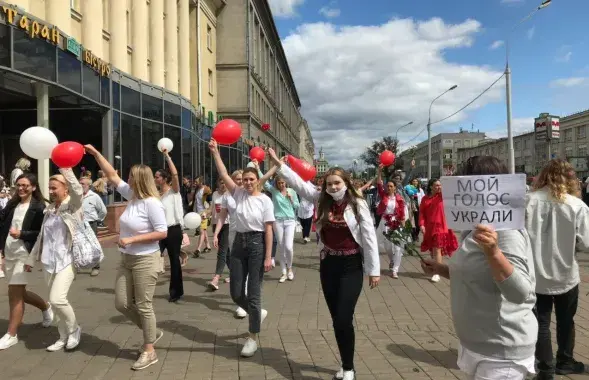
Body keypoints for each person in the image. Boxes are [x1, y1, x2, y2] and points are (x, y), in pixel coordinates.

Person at [421, 155, 537, 380]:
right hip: (479, 345)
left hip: (501, 352)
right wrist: (441, 269)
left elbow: (520, 292)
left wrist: (494, 252)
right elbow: (478, 275)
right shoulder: (473, 228)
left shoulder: (506, 232)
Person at [268, 148, 379, 380]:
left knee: (343, 317)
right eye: (329, 184)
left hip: (351, 266)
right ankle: (345, 364)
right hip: (329, 266)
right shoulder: (321, 199)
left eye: (337, 183)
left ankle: (349, 369)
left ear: (346, 183)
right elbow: (299, 185)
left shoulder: (357, 203)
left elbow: (368, 236)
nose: (333, 187)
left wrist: (374, 270)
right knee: (336, 319)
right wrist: (280, 165)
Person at [85, 144, 167, 371]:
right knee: (121, 303)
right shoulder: (132, 196)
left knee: (143, 304)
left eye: (131, 175)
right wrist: (96, 154)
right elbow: (111, 175)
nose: (127, 178)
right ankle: (152, 331)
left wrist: (131, 240)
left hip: (146, 259)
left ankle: (149, 350)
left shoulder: (152, 203)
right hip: (126, 259)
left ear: (139, 179)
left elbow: (162, 232)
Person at [209, 139, 274, 358]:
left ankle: (252, 336)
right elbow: (225, 174)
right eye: (244, 179)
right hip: (238, 245)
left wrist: (268, 257)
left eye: (251, 179)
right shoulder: (236, 194)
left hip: (257, 245)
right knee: (236, 293)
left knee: (253, 294)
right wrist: (216, 152)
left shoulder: (265, 200)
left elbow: (268, 230)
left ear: (257, 180)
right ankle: (257, 313)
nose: (247, 182)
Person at [526, 159, 589, 379]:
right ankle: (565, 361)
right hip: (566, 274)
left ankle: (545, 367)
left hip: (535, 274)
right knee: (566, 320)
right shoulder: (577, 205)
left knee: (540, 321)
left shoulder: (527, 201)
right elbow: (586, 243)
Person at [24, 168, 85, 352]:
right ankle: (62, 336)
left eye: (54, 188)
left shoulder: (72, 205)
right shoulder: (50, 209)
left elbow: (78, 191)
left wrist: (66, 169)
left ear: (65, 189)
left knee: (57, 299)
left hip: (67, 260)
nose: (50, 191)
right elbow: (42, 236)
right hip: (49, 261)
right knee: (57, 304)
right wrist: (31, 259)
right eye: (49, 188)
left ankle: (74, 329)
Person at [0, 173, 53, 350]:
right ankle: (45, 306)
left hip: (25, 254)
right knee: (20, 293)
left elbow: (41, 233)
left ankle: (11, 334)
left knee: (14, 293)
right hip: (9, 253)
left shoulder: (39, 207)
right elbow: (2, 228)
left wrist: (21, 234)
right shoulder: (12, 204)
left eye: (25, 185)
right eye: (18, 185)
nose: (21, 188)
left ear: (34, 187)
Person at [154, 150, 185, 303]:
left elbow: (175, 174)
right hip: (159, 232)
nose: (155, 179)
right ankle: (143, 289)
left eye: (157, 176)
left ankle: (176, 292)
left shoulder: (174, 191)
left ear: (164, 179)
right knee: (151, 258)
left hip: (173, 230)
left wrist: (167, 157)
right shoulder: (155, 194)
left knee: (174, 261)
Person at [261, 169, 299, 283]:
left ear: (286, 182)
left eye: (283, 183)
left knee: (288, 246)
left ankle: (290, 268)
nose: (281, 185)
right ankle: (283, 272)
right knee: (281, 246)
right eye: (279, 183)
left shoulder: (291, 191)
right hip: (277, 221)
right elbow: (264, 182)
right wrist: (258, 169)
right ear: (276, 184)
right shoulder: (274, 191)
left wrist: (291, 200)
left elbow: (297, 205)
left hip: (290, 221)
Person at [418, 178, 458, 283]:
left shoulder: (442, 197)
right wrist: (421, 225)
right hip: (429, 227)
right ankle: (436, 267)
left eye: (440, 185)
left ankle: (437, 272)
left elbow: (451, 191)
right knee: (432, 250)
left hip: (441, 227)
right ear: (431, 187)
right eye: (436, 185)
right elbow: (422, 213)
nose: (439, 187)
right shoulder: (425, 199)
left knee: (437, 249)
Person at [376, 164, 408, 279]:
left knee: (398, 247)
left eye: (391, 186)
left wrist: (403, 229)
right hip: (385, 223)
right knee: (388, 246)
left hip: (396, 223)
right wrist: (379, 171)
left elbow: (402, 215)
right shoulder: (383, 195)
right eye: (388, 186)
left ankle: (395, 270)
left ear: (395, 188)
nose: (389, 188)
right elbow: (379, 183)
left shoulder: (399, 199)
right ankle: (392, 261)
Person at [80, 177, 107, 276]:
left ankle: (96, 267)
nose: (80, 185)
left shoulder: (94, 196)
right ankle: (78, 265)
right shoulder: (76, 196)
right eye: (80, 183)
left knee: (93, 245)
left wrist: (98, 220)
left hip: (91, 223)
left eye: (83, 184)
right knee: (77, 244)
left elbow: (103, 210)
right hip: (78, 224)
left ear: (89, 186)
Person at [207, 178, 231, 291]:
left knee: (222, 251)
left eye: (225, 183)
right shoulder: (215, 194)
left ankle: (216, 278)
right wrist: (205, 213)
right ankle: (235, 273)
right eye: (221, 183)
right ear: (217, 184)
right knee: (227, 253)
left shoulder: (230, 194)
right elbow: (212, 209)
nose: (223, 185)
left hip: (227, 225)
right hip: (216, 225)